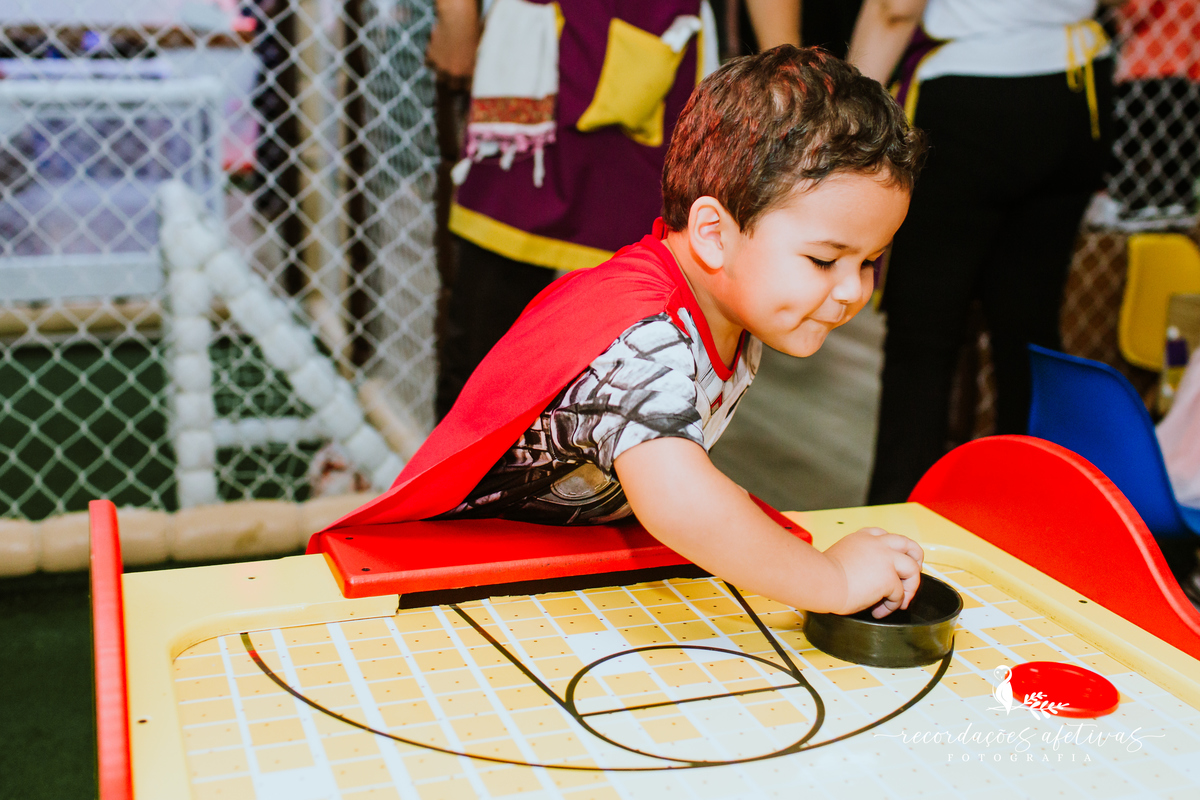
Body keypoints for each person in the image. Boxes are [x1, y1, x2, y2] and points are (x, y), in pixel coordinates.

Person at [328, 46, 929, 618]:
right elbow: (679, 502)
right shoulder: (642, 338)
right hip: (439, 586)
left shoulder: (728, 304)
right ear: (715, 234)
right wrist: (833, 580)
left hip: (547, 564)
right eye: (825, 260)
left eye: (869, 261)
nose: (853, 290)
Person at [427, 0, 802, 421]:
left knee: (644, 345)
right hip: (537, 68)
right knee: (485, 341)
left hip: (666, 64)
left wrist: (789, 84)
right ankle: (455, 485)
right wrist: (457, 16)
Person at [849, 0, 1117, 504]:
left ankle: (896, 524)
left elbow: (895, 8)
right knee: (1028, 330)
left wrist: (844, 120)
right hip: (1077, 92)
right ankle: (1032, 520)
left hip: (973, 98)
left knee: (923, 339)